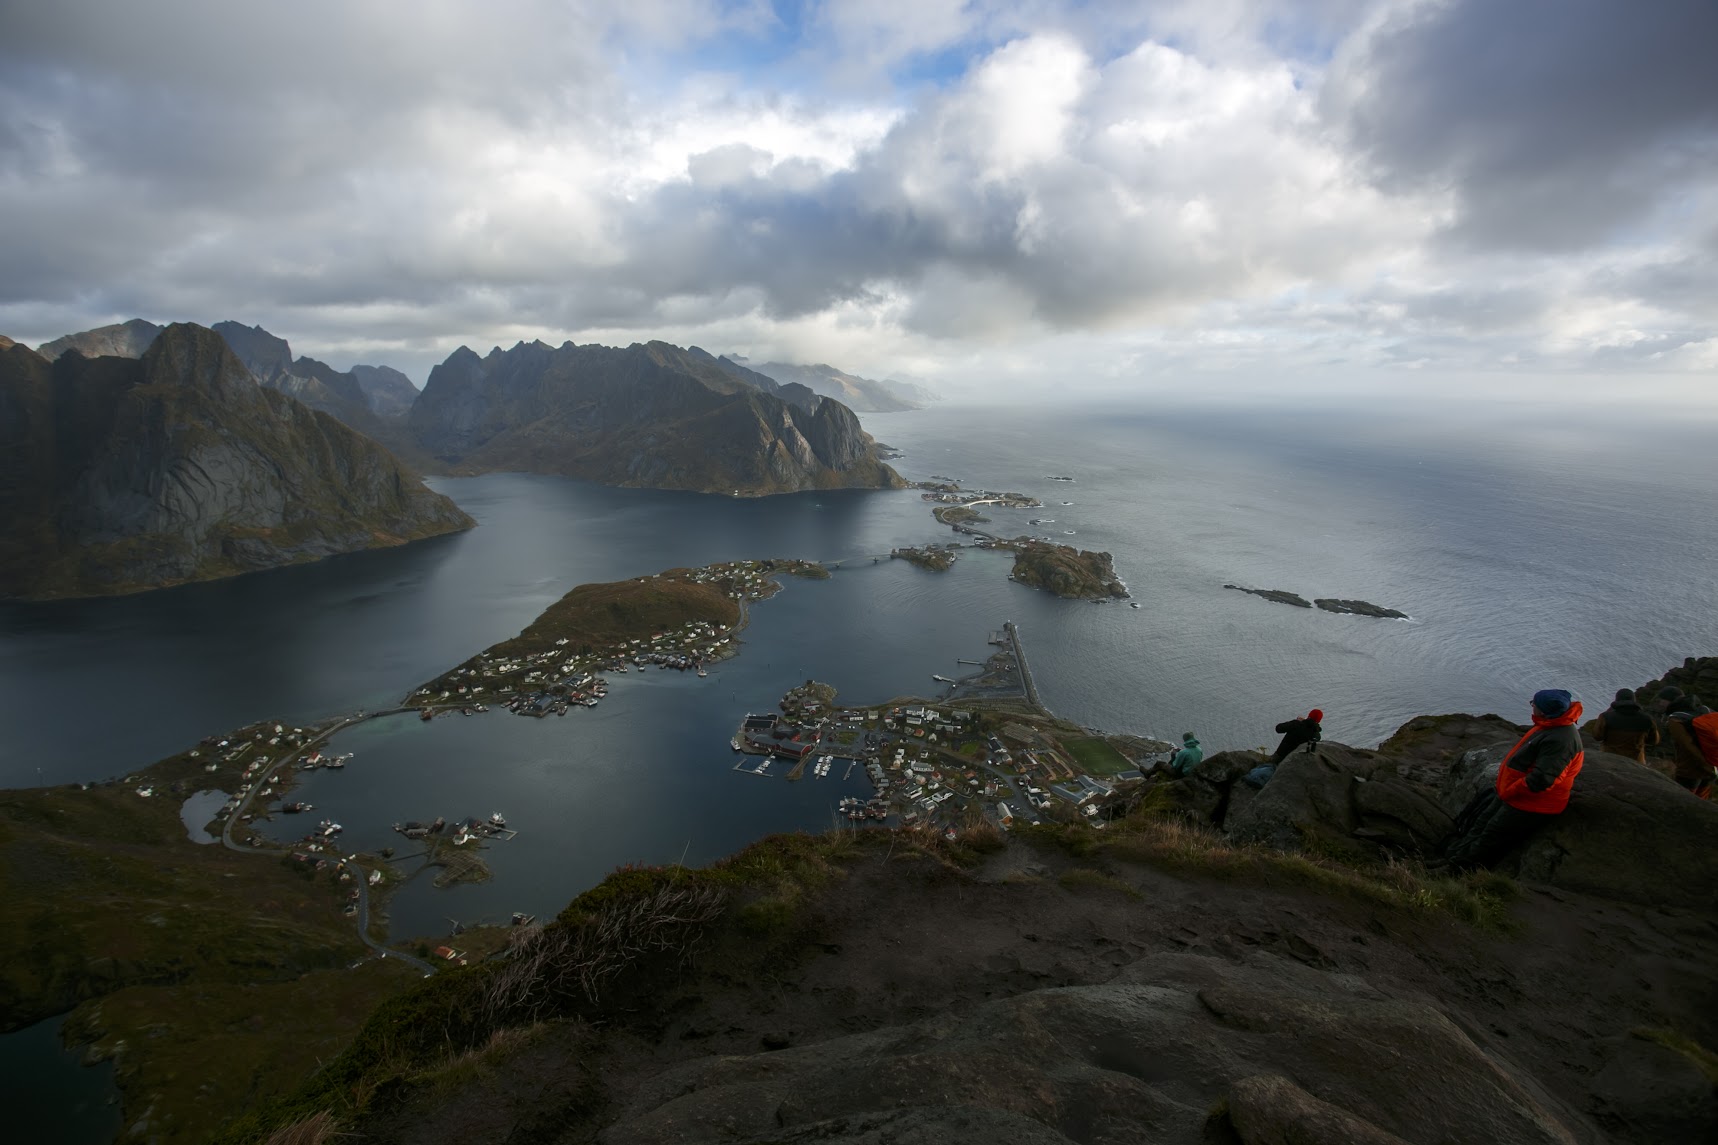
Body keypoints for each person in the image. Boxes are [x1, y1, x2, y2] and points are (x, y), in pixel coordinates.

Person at [1437, 689, 1584, 870]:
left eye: (1534, 704)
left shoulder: (1561, 739)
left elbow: (1543, 779)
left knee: (1491, 835)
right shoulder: (1551, 726)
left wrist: (1513, 789)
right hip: (1513, 794)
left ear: (1545, 711)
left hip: (1530, 802)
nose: (1532, 707)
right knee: (1481, 825)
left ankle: (1453, 871)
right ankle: (1452, 859)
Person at [1659, 688, 1716, 798]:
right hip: (1711, 766)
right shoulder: (1704, 710)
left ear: (1671, 701)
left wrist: (1706, 766)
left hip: (1690, 770)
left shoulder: (1675, 720)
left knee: (1683, 801)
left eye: (1662, 700)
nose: (1660, 703)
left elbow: (1687, 746)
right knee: (1702, 803)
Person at [1242, 709, 1323, 787]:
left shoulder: (1296, 724)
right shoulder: (1316, 734)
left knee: (1268, 766)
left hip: (1280, 754)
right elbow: (1315, 734)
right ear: (1319, 721)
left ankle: (1255, 778)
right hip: (1294, 761)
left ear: (1309, 715)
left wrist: (1298, 721)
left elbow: (1278, 728)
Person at [1591, 687, 1659, 763]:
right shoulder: (1647, 719)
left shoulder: (1606, 717)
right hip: (1636, 761)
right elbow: (1654, 741)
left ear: (1617, 700)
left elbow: (1597, 736)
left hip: (1609, 759)